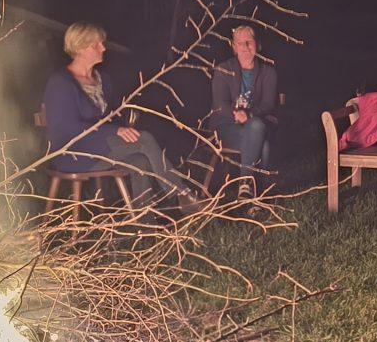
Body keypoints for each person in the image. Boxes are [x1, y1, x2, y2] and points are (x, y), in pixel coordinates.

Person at [42, 22, 196, 210]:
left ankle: (144, 223)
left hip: (102, 147)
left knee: (140, 161)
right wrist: (115, 130)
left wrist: (125, 122)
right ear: (80, 48)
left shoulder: (103, 79)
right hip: (74, 152)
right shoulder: (61, 82)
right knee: (144, 139)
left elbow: (113, 115)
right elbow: (66, 126)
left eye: (102, 43)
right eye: (96, 45)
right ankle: (181, 193)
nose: (103, 48)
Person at [208, 25, 280, 195]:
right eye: (240, 43)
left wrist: (249, 115)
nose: (246, 47)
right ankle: (258, 192)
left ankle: (246, 187)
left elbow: (268, 104)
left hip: (254, 124)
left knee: (256, 126)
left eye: (249, 42)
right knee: (263, 143)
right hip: (226, 128)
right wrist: (236, 114)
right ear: (234, 47)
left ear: (258, 45)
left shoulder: (268, 73)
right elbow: (219, 103)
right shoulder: (223, 70)